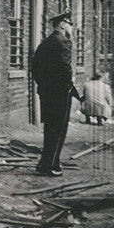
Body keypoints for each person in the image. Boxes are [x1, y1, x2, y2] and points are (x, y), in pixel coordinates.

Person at [31, 12, 81, 176]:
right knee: (58, 130)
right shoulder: (64, 42)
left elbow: (35, 68)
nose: (72, 28)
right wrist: (66, 86)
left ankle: (49, 162)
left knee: (50, 129)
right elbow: (66, 69)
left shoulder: (45, 43)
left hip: (46, 93)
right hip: (60, 94)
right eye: (69, 24)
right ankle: (49, 166)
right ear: (62, 25)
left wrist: (45, 86)